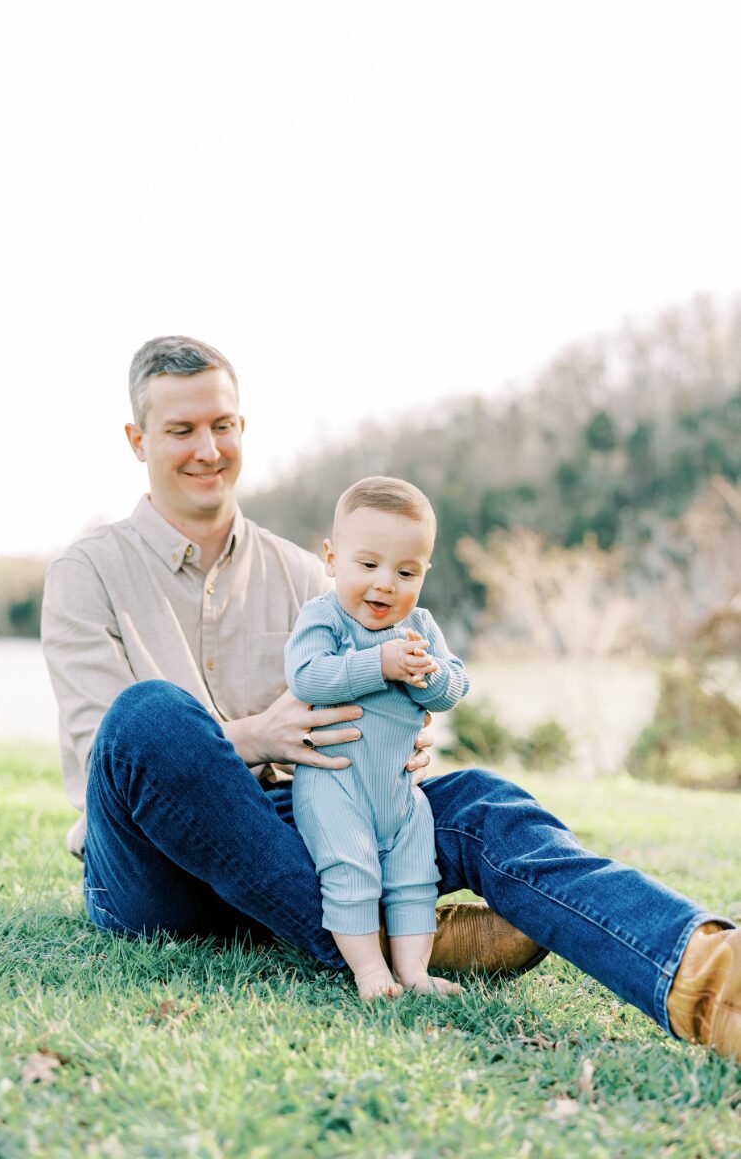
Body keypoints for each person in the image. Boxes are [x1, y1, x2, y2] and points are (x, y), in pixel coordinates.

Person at [40, 334, 739, 1060]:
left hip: (305, 827)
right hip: (152, 871)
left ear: (242, 428)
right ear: (137, 439)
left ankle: (705, 976)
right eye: (181, 431)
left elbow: (377, 697)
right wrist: (255, 736)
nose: (207, 449)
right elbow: (107, 759)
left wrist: (402, 728)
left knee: (479, 804)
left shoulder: (313, 573)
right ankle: (386, 937)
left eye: (221, 425)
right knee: (151, 715)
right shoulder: (85, 572)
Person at [286, 476, 468, 999]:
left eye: (406, 571)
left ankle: (414, 972)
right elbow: (308, 676)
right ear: (331, 558)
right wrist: (379, 664)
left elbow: (456, 685)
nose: (386, 584)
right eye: (368, 565)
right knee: (352, 869)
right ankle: (370, 972)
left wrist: (429, 676)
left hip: (399, 792)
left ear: (424, 573)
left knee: (415, 876)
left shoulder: (422, 628)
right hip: (334, 783)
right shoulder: (326, 617)